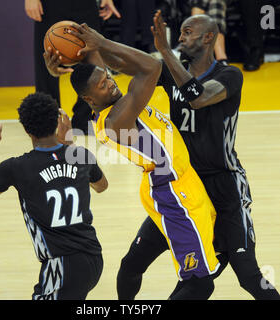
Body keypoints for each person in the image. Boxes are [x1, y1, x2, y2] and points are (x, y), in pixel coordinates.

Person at [44, 20, 221, 299]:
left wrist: (71, 63)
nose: (112, 83)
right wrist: (102, 41)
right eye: (104, 84)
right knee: (201, 282)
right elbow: (152, 67)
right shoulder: (117, 119)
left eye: (109, 77)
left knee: (130, 267)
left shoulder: (108, 103)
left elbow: (94, 66)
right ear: (90, 99)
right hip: (176, 195)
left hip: (163, 186)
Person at [117, 10, 280, 300]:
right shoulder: (172, 70)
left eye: (187, 32)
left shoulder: (230, 75)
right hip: (184, 188)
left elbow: (199, 97)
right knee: (132, 264)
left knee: (249, 276)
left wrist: (165, 51)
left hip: (224, 187)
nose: (180, 37)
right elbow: (129, 63)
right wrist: (93, 47)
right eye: (179, 32)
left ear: (208, 38)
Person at [0, 92, 108, 300]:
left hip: (62, 265)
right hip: (93, 256)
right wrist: (68, 147)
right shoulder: (80, 155)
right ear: (57, 122)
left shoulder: (16, 167)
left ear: (26, 130)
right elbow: (102, 186)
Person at [24, 0, 120, 134]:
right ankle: (46, 120)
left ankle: (85, 119)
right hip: (49, 4)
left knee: (92, 56)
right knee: (48, 58)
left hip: (86, 5)